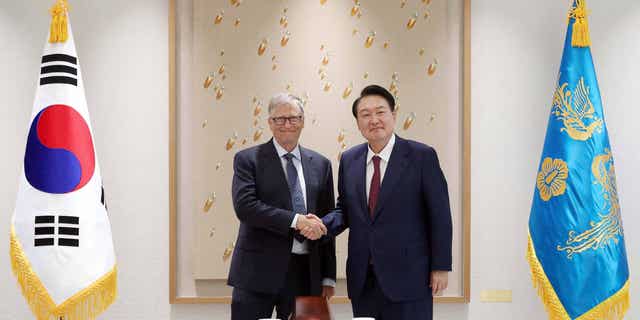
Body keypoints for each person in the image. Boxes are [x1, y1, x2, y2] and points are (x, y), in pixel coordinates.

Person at [309, 85, 453, 319]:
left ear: (394, 115)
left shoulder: (421, 156)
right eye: (365, 115)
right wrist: (321, 225)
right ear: (358, 123)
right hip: (363, 279)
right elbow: (345, 209)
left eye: (380, 112)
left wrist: (441, 266)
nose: (374, 120)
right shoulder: (349, 159)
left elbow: (440, 215)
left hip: (410, 279)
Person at [227, 93, 336, 320]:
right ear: (269, 123)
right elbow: (245, 207)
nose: (287, 124)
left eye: (293, 118)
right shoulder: (248, 159)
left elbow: (325, 222)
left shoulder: (321, 164)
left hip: (306, 274)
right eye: (280, 119)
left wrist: (327, 276)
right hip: (256, 273)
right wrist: (296, 221)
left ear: (303, 121)